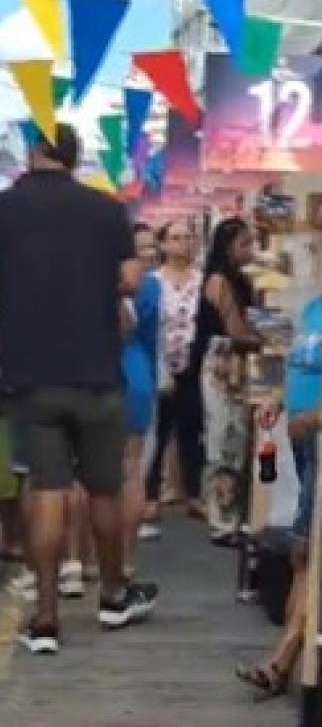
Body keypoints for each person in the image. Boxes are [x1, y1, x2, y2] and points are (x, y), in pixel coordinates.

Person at [0, 124, 157, 655]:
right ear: (74, 156)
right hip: (96, 369)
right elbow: (132, 279)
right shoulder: (106, 209)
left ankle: (44, 618)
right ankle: (113, 595)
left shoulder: (5, 207)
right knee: (104, 487)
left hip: (28, 373)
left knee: (44, 490)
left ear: (32, 153)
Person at [235, 285, 322, 697]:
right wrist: (277, 397)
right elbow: (300, 365)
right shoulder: (313, 308)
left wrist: (319, 415)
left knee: (309, 549)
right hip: (301, 438)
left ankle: (283, 658)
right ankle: (287, 657)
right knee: (301, 549)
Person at [196, 217, 261, 543]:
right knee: (224, 436)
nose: (251, 249)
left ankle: (230, 514)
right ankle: (221, 517)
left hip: (234, 363)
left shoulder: (240, 279)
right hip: (224, 363)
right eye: (244, 243)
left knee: (235, 437)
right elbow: (235, 329)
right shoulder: (220, 282)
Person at [142, 218, 205, 535]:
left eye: (187, 237)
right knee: (158, 430)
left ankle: (193, 492)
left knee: (192, 429)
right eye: (175, 238)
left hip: (195, 364)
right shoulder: (152, 281)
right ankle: (150, 494)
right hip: (159, 361)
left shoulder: (202, 281)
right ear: (163, 244)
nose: (182, 243)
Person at [118, 223, 160, 571]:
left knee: (84, 475)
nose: (148, 254)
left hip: (98, 376)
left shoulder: (89, 283)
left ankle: (78, 561)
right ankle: (123, 563)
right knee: (131, 471)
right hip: (137, 374)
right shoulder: (151, 286)